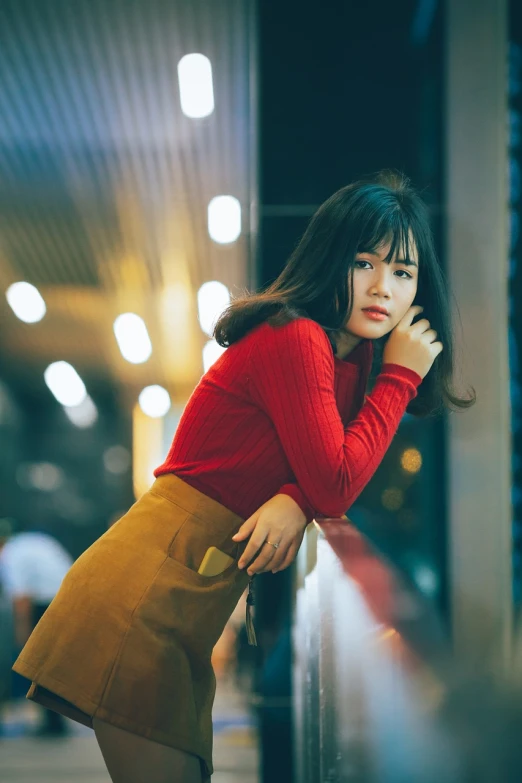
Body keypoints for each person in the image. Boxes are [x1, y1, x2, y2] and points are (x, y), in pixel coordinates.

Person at [12, 170, 475, 783]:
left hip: (177, 605)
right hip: (142, 597)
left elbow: (320, 472)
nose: (383, 288)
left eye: (403, 273)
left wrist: (292, 499)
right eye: (366, 263)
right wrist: (399, 378)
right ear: (330, 258)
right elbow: (336, 481)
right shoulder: (299, 337)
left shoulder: (345, 355)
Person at [0, 520, 73, 736]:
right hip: (70, 595)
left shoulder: (10, 555)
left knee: (38, 662)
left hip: (45, 603)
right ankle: (56, 720)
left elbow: (21, 599)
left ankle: (52, 723)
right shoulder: (36, 541)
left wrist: (22, 639)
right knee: (53, 664)